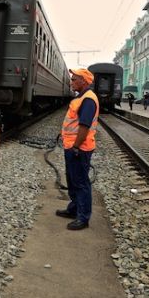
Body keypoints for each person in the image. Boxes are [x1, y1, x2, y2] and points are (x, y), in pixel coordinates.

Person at [56, 68, 99, 231]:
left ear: (83, 81)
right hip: (72, 147)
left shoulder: (88, 99)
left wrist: (75, 146)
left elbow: (84, 126)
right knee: (73, 180)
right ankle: (74, 209)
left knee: (81, 183)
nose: (71, 82)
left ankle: (83, 217)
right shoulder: (81, 97)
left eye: (74, 79)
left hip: (80, 148)